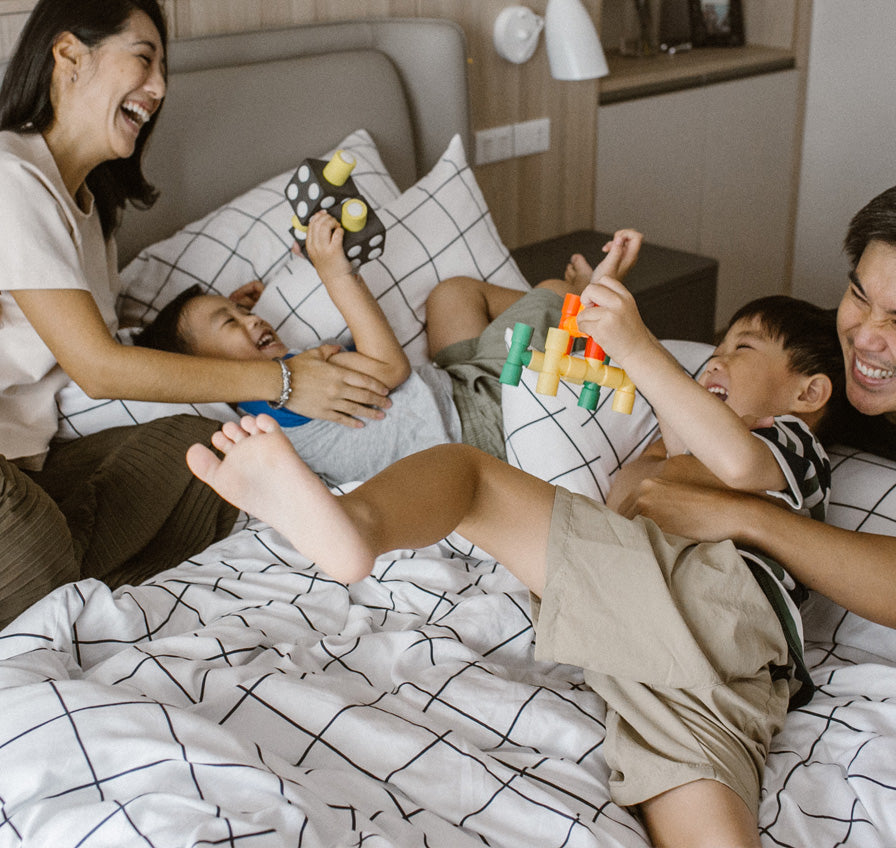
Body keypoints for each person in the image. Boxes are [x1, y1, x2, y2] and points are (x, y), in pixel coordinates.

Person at [185, 289, 844, 848]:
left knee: (471, 477)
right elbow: (634, 494)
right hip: (687, 669)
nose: (714, 360)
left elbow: (735, 461)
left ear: (808, 391)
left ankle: (355, 524)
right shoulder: (669, 459)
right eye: (717, 348)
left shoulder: (788, 441)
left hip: (710, 602)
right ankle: (344, 522)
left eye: (741, 348)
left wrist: (642, 349)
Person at [0, 0, 377, 621]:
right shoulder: (12, 177)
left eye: (163, 70)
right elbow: (98, 368)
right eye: (144, 59)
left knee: (204, 451)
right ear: (68, 55)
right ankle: (54, 572)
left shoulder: (92, 211)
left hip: (31, 461)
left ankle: (62, 572)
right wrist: (284, 380)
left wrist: (214, 315)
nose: (160, 88)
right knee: (43, 560)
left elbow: (95, 343)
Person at [615, 171, 896, 656]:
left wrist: (748, 519)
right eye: (859, 297)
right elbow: (685, 447)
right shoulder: (819, 359)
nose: (863, 338)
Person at [136, 221, 644, 485]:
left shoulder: (278, 394)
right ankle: (586, 299)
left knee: (452, 294)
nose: (252, 319)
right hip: (479, 424)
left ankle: (571, 301)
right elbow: (390, 367)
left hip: (450, 388)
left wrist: (235, 312)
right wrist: (334, 272)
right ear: (203, 369)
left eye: (243, 310)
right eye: (229, 322)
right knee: (552, 288)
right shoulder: (281, 395)